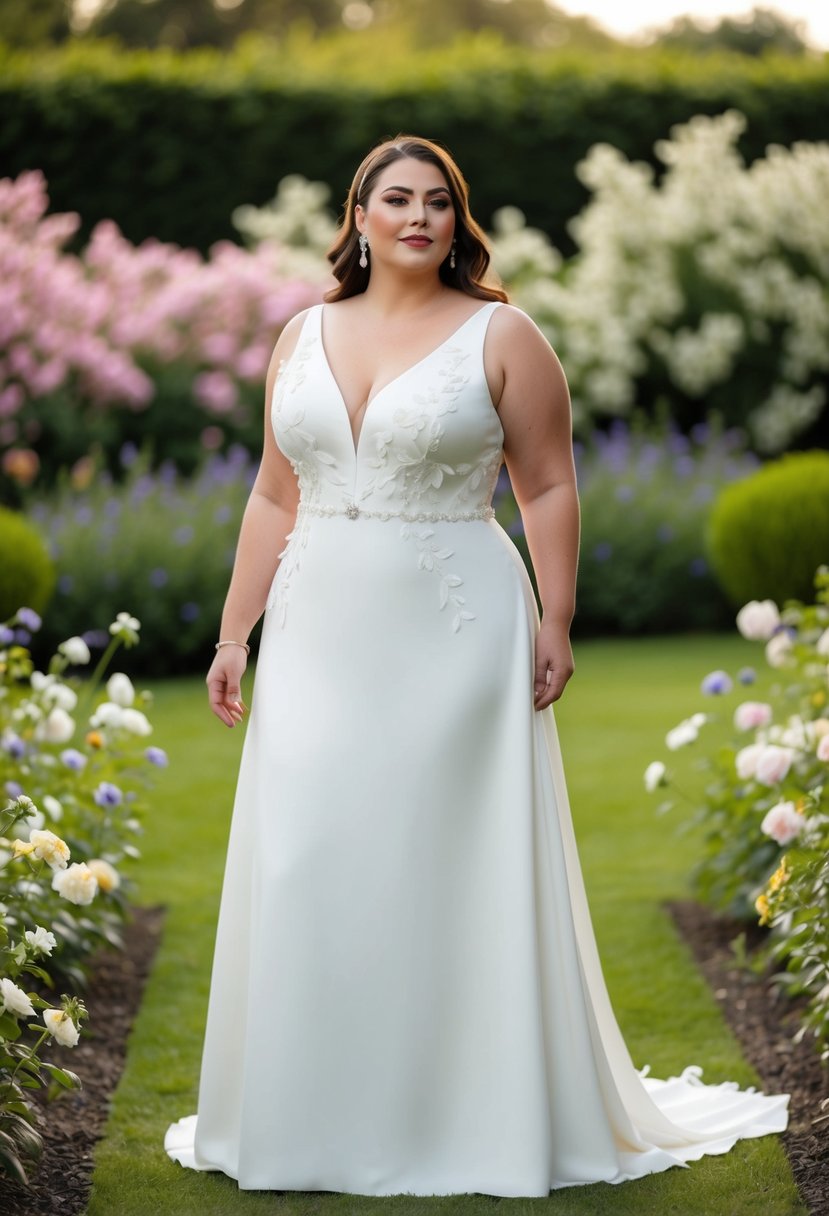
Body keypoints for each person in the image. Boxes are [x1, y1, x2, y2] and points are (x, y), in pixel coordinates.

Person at [164, 135, 788, 1197]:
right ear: (357, 215)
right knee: (307, 856)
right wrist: (235, 635)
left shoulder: (504, 334)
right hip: (316, 629)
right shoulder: (299, 336)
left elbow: (547, 485)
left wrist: (559, 615)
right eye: (396, 198)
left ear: (458, 222)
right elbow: (275, 495)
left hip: (453, 628)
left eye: (438, 202)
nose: (419, 217)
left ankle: (467, 1111)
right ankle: (311, 1110)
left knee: (441, 859)